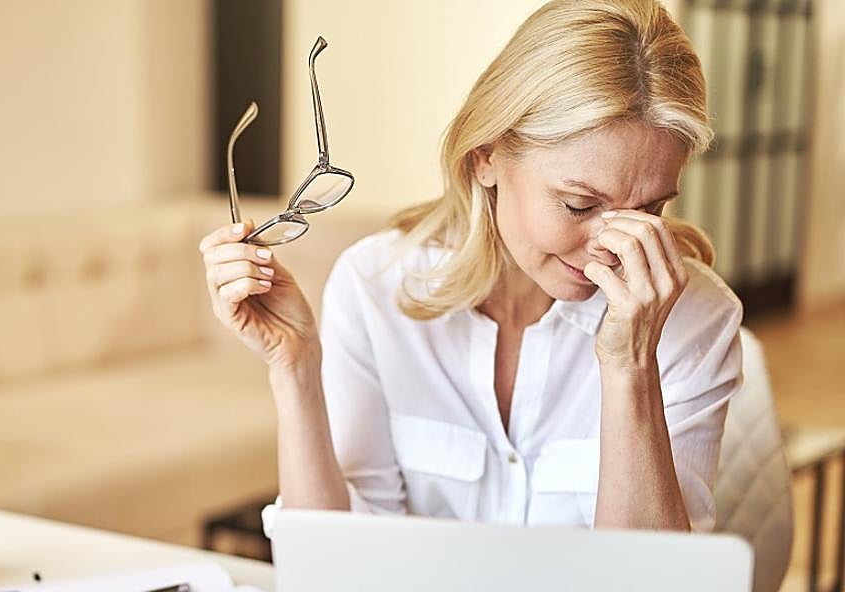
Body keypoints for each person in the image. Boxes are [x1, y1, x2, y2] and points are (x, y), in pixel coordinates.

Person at [198, 0, 742, 533]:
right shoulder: (375, 287)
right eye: (579, 204)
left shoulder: (694, 320)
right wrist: (294, 369)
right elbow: (333, 562)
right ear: (486, 157)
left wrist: (631, 367)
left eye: (649, 211)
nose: (613, 248)